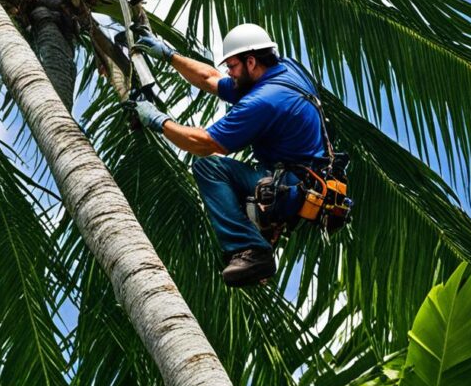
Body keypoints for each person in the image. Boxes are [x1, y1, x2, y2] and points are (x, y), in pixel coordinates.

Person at [128, 23, 326, 287]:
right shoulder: (287, 69)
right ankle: (257, 233)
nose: (228, 73)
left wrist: (157, 120)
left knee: (208, 168)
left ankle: (252, 251)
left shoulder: (263, 101)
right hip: (305, 180)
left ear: (251, 62)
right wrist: (167, 54)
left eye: (232, 66)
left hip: (288, 190)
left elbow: (203, 143)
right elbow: (210, 79)